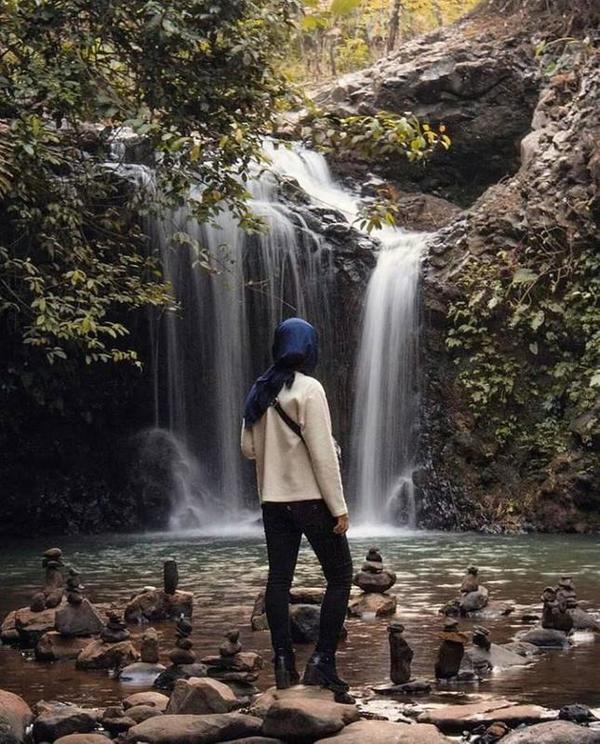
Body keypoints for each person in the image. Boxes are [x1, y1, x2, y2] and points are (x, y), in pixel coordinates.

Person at [241, 317, 353, 701]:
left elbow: (248, 449)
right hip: (311, 500)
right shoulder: (309, 389)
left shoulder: (260, 389)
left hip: (273, 502)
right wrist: (338, 508)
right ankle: (322, 661)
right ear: (309, 348)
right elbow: (323, 456)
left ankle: (283, 661)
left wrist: (277, 455)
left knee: (279, 580)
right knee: (340, 577)